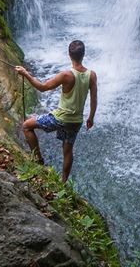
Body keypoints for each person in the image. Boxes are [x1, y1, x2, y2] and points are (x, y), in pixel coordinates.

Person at [15, 39, 97, 182]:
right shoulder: (92, 75)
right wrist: (91, 118)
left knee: (27, 126)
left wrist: (26, 74)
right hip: (76, 121)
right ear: (83, 54)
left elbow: (42, 87)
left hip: (60, 119)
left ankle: (39, 160)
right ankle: (63, 182)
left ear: (69, 55)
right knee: (68, 151)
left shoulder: (66, 75)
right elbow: (94, 99)